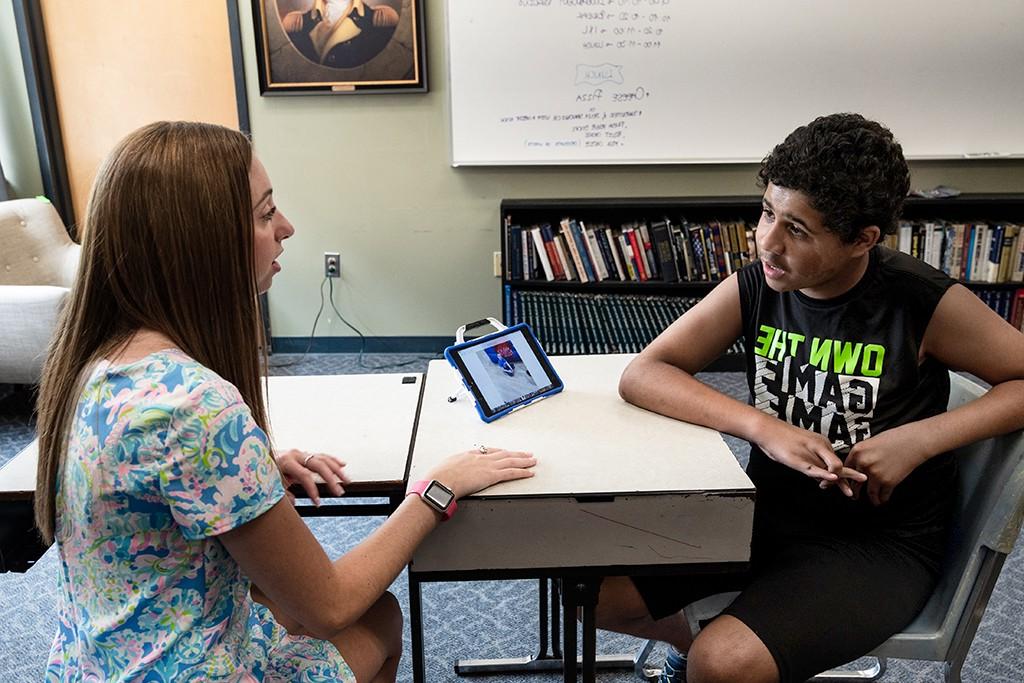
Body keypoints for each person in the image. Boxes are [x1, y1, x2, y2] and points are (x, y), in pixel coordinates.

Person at [34, 121, 537, 682]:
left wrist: (252, 473)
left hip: (96, 665)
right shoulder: (197, 409)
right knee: (374, 619)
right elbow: (325, 607)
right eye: (265, 213)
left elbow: (139, 485)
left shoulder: (97, 364)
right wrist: (435, 489)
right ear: (202, 242)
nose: (287, 228)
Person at [594, 113, 1024, 683]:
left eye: (797, 229)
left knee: (724, 663)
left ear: (862, 239)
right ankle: (706, 649)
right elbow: (646, 373)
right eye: (768, 212)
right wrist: (764, 428)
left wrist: (920, 438)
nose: (767, 241)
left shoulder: (920, 302)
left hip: (875, 544)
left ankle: (720, 658)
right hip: (763, 512)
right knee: (588, 591)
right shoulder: (758, 284)